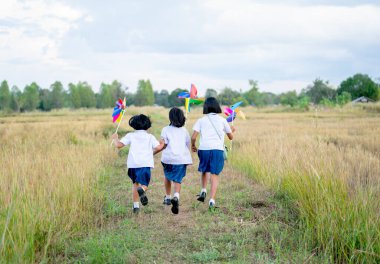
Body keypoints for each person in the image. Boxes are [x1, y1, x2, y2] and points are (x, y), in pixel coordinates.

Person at [112, 114, 164, 213]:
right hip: (144, 164)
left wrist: (115, 138)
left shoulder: (130, 135)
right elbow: (158, 148)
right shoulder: (150, 137)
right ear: (147, 125)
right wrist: (162, 143)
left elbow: (118, 145)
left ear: (133, 124)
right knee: (144, 184)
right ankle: (142, 190)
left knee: (135, 184)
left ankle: (135, 206)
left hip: (132, 165)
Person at [191, 97, 235, 209]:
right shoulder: (222, 120)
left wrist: (193, 145)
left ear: (205, 107)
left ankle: (203, 190)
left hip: (204, 149)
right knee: (215, 174)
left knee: (205, 170)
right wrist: (231, 130)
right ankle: (212, 200)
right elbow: (230, 137)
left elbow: (193, 137)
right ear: (217, 106)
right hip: (217, 150)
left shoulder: (201, 120)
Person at [155, 107, 192, 214]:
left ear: (170, 117)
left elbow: (163, 145)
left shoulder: (165, 129)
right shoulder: (184, 130)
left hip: (167, 159)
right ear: (182, 117)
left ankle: (167, 197)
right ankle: (176, 196)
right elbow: (187, 144)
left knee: (167, 176)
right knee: (177, 179)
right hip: (180, 159)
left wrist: (153, 152)